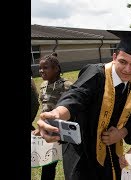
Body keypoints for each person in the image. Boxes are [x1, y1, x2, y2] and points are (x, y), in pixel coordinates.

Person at [36, 30, 131, 180]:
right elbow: (76, 96)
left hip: (110, 149)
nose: (127, 69)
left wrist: (122, 133)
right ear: (114, 57)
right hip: (82, 149)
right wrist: (56, 115)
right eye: (123, 62)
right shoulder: (96, 74)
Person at [33, 52, 73, 180]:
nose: (41, 71)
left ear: (56, 69)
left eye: (45, 68)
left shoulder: (67, 85)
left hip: (65, 131)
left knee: (70, 162)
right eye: (40, 68)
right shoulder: (43, 86)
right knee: (49, 164)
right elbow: (43, 106)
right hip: (49, 132)